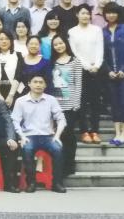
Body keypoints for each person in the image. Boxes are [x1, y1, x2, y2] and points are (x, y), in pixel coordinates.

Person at [11, 74, 68, 193]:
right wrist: (22, 136)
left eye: (41, 82)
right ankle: (31, 183)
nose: (38, 85)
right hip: (29, 136)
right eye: (35, 82)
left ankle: (57, 183)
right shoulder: (21, 101)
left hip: (48, 136)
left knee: (58, 149)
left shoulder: (51, 100)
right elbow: (15, 121)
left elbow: (61, 119)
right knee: (27, 149)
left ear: (45, 85)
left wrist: (57, 136)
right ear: (29, 84)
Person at [68, 6, 105, 144]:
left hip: (96, 69)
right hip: (80, 69)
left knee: (96, 102)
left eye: (87, 13)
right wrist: (87, 66)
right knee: (82, 101)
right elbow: (74, 52)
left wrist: (97, 65)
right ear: (77, 15)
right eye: (82, 13)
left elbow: (100, 49)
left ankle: (94, 130)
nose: (85, 16)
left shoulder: (97, 30)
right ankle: (84, 131)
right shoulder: (72, 31)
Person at [50, 35, 81, 179]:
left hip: (70, 104)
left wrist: (76, 102)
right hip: (55, 105)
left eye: (61, 43)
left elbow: (78, 83)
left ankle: (69, 165)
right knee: (58, 135)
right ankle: (59, 165)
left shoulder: (75, 61)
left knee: (68, 135)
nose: (58, 46)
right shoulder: (52, 62)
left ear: (66, 43)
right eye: (55, 44)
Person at [103, 5, 124, 146]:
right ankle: (117, 133)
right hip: (110, 74)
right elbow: (101, 54)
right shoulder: (103, 31)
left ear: (118, 14)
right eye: (108, 12)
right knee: (114, 103)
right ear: (105, 14)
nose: (111, 15)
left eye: (114, 12)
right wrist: (108, 70)